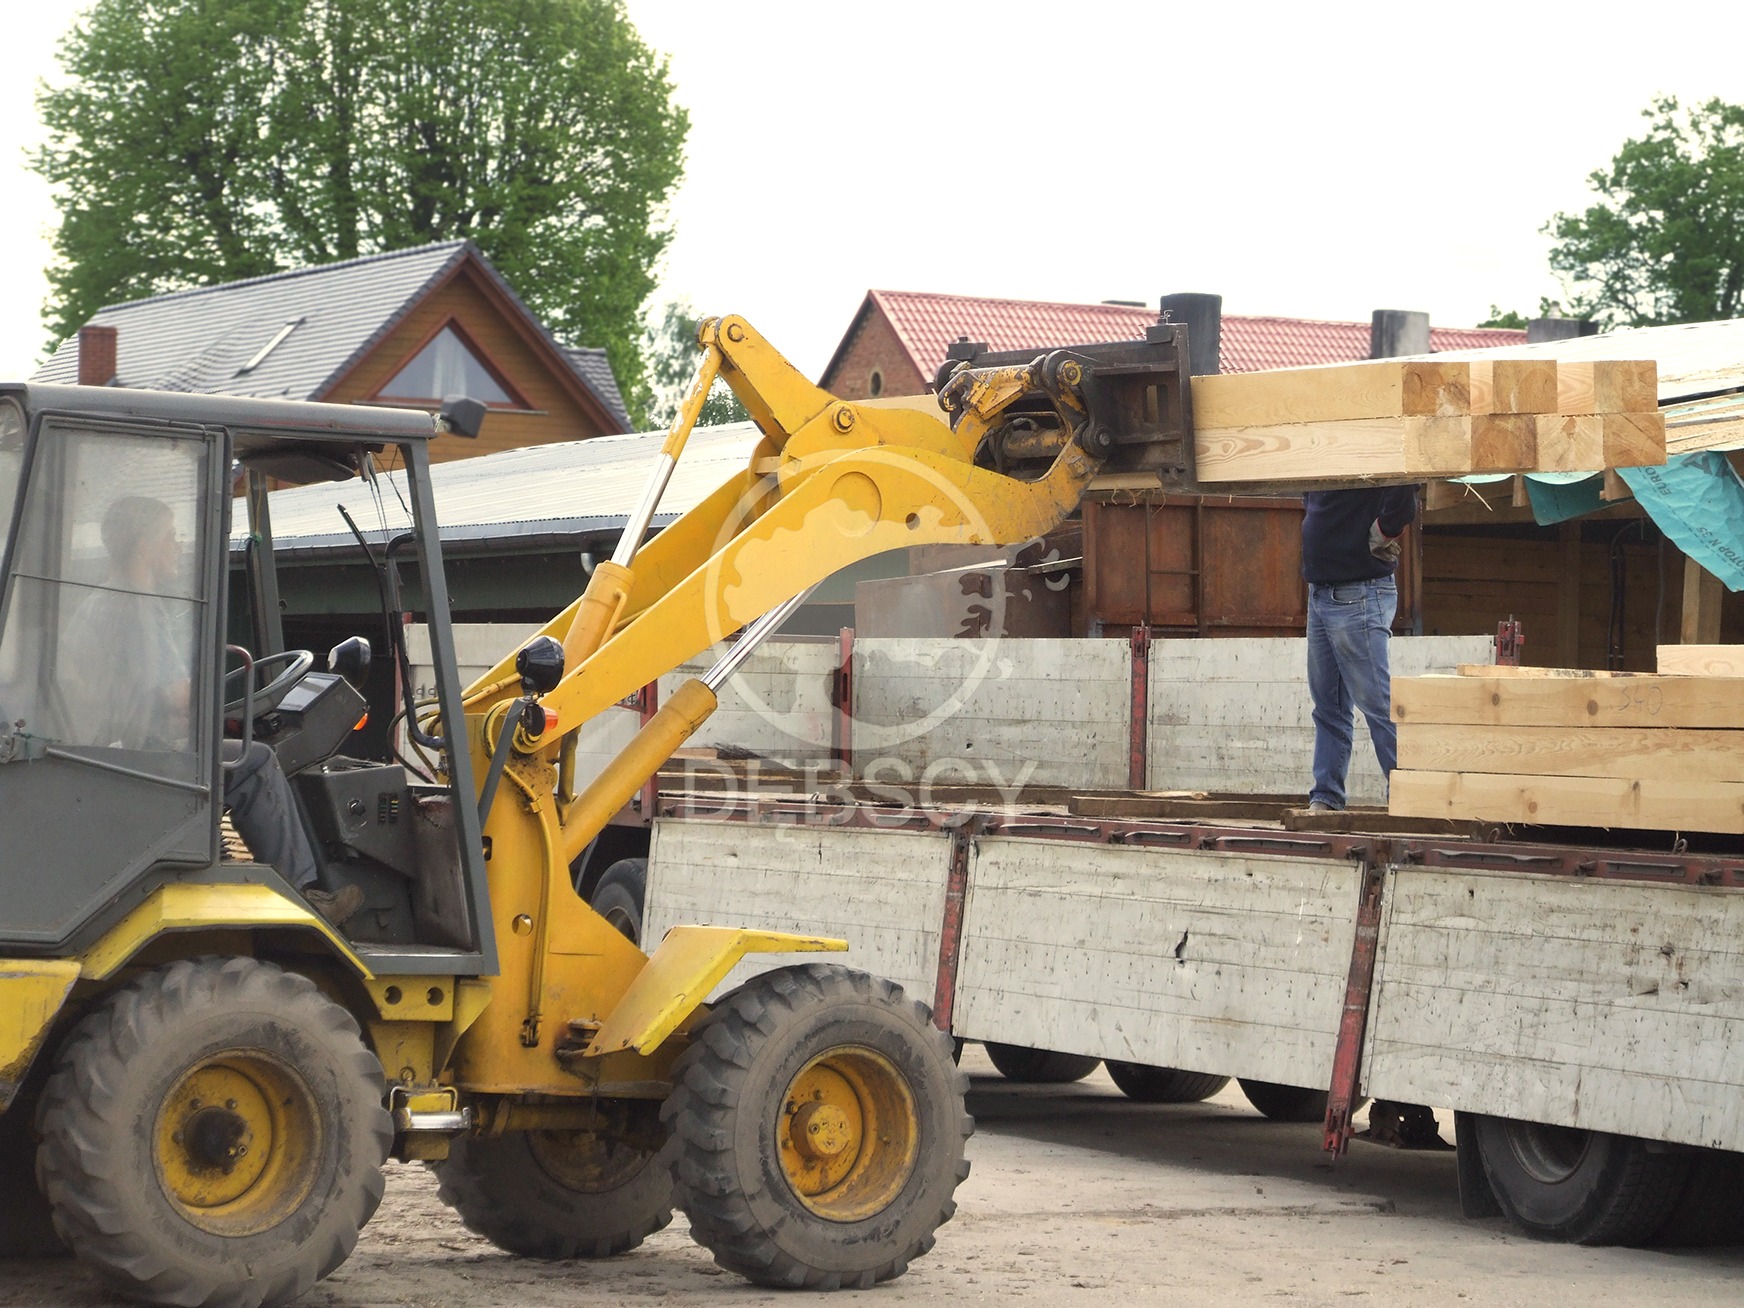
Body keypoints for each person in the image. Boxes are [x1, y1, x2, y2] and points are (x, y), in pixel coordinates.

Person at [62, 496, 362, 927]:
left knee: (238, 751)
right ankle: (303, 898)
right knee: (257, 761)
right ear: (144, 546)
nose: (179, 548)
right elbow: (175, 696)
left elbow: (145, 697)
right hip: (138, 759)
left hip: (113, 751)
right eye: (170, 538)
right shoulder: (136, 606)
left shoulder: (102, 601)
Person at [1301, 485, 1419, 813]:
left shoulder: (1364, 445)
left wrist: (1383, 531)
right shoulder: (1320, 452)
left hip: (1358, 590)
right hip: (1323, 590)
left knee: (1377, 702)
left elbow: (1405, 487)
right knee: (1328, 704)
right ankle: (1325, 795)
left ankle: (1411, 795)